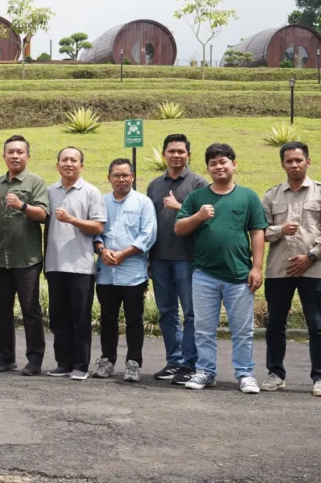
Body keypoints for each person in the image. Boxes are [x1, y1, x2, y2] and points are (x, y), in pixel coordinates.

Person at [175, 143, 268, 394]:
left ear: (234, 164)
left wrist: (257, 267)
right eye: (213, 163)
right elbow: (179, 228)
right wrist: (198, 216)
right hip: (204, 274)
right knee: (204, 329)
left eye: (223, 161)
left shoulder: (248, 196)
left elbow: (257, 232)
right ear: (207, 168)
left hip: (239, 274)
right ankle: (206, 371)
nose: (218, 167)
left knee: (243, 330)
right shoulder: (197, 197)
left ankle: (245, 373)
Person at [260, 141, 321, 397]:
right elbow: (260, 232)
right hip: (279, 270)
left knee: (317, 325)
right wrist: (280, 229)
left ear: (308, 161)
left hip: (313, 270)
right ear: (282, 164)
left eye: (298, 160)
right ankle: (275, 374)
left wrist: (311, 256)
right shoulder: (272, 195)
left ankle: (320, 378)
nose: (294, 164)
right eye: (289, 161)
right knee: (275, 325)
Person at [0, 135, 49, 375]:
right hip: (1, 258)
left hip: (27, 259)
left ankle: (35, 360)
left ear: (27, 156)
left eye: (20, 152)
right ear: (4, 156)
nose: (15, 156)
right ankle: (4, 357)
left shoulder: (35, 182)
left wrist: (22, 206)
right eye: (10, 152)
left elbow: (43, 215)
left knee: (30, 310)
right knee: (1, 309)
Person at [146, 133, 208, 385]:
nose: (176, 155)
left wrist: (177, 206)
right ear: (164, 154)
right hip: (159, 257)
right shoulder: (154, 185)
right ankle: (174, 361)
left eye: (181, 151)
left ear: (189, 155)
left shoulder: (198, 183)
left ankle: (189, 364)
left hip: (188, 258)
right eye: (171, 151)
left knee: (191, 313)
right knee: (166, 312)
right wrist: (147, 256)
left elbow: (206, 217)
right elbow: (149, 223)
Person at [44, 147, 106, 381]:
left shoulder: (91, 192)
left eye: (74, 160)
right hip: (54, 263)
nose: (69, 163)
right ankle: (63, 363)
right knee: (58, 318)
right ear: (57, 165)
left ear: (82, 165)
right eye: (64, 159)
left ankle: (81, 365)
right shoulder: (50, 191)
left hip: (80, 265)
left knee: (80, 318)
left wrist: (71, 219)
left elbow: (98, 226)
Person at [92, 159, 156, 382]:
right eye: (116, 175)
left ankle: (133, 363)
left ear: (133, 177)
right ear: (108, 178)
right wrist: (102, 250)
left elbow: (148, 236)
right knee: (107, 319)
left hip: (133, 274)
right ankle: (107, 361)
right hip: (106, 273)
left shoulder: (143, 203)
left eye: (125, 175)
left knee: (134, 320)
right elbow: (95, 232)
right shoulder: (101, 202)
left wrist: (122, 254)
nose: (121, 179)